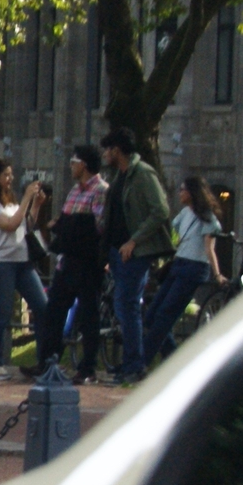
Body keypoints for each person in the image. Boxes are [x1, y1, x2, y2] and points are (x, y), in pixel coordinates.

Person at [98, 127, 172, 384]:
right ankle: (136, 360)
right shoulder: (121, 176)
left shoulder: (142, 174)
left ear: (117, 150)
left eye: (107, 149)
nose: (104, 155)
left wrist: (134, 240)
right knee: (127, 307)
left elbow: (160, 210)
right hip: (119, 252)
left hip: (135, 253)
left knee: (126, 305)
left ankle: (135, 364)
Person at [39, 145, 109, 383]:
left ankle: (88, 367)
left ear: (84, 165)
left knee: (89, 315)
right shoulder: (73, 191)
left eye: (73, 162)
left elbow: (99, 226)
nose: (70, 166)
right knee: (54, 311)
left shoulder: (100, 190)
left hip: (87, 262)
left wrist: (74, 227)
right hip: (67, 260)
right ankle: (47, 361)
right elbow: (65, 219)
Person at [0, 158, 48, 382]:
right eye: (6, 175)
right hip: (0, 263)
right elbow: (10, 225)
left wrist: (35, 204)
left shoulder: (10, 199)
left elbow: (25, 223)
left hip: (22, 260)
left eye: (11, 174)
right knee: (3, 312)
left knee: (43, 307)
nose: (10, 179)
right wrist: (27, 197)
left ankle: (44, 361)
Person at [142, 176, 226, 360]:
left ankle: (142, 361)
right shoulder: (185, 213)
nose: (179, 193)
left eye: (182, 189)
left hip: (194, 268)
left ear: (192, 193)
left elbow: (209, 248)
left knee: (165, 314)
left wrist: (217, 274)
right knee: (153, 314)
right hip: (179, 263)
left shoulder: (208, 218)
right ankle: (174, 359)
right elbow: (174, 234)